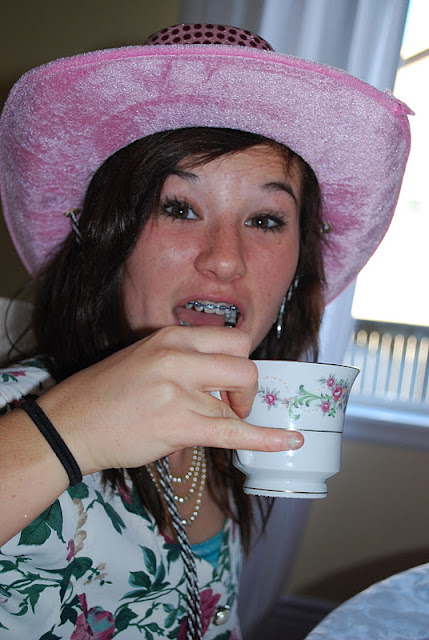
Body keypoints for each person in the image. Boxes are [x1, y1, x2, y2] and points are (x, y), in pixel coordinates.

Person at [0, 23, 411, 640]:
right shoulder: (18, 409)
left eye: (266, 220)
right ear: (105, 239)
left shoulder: (232, 428)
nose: (224, 259)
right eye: (178, 208)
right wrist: (65, 432)